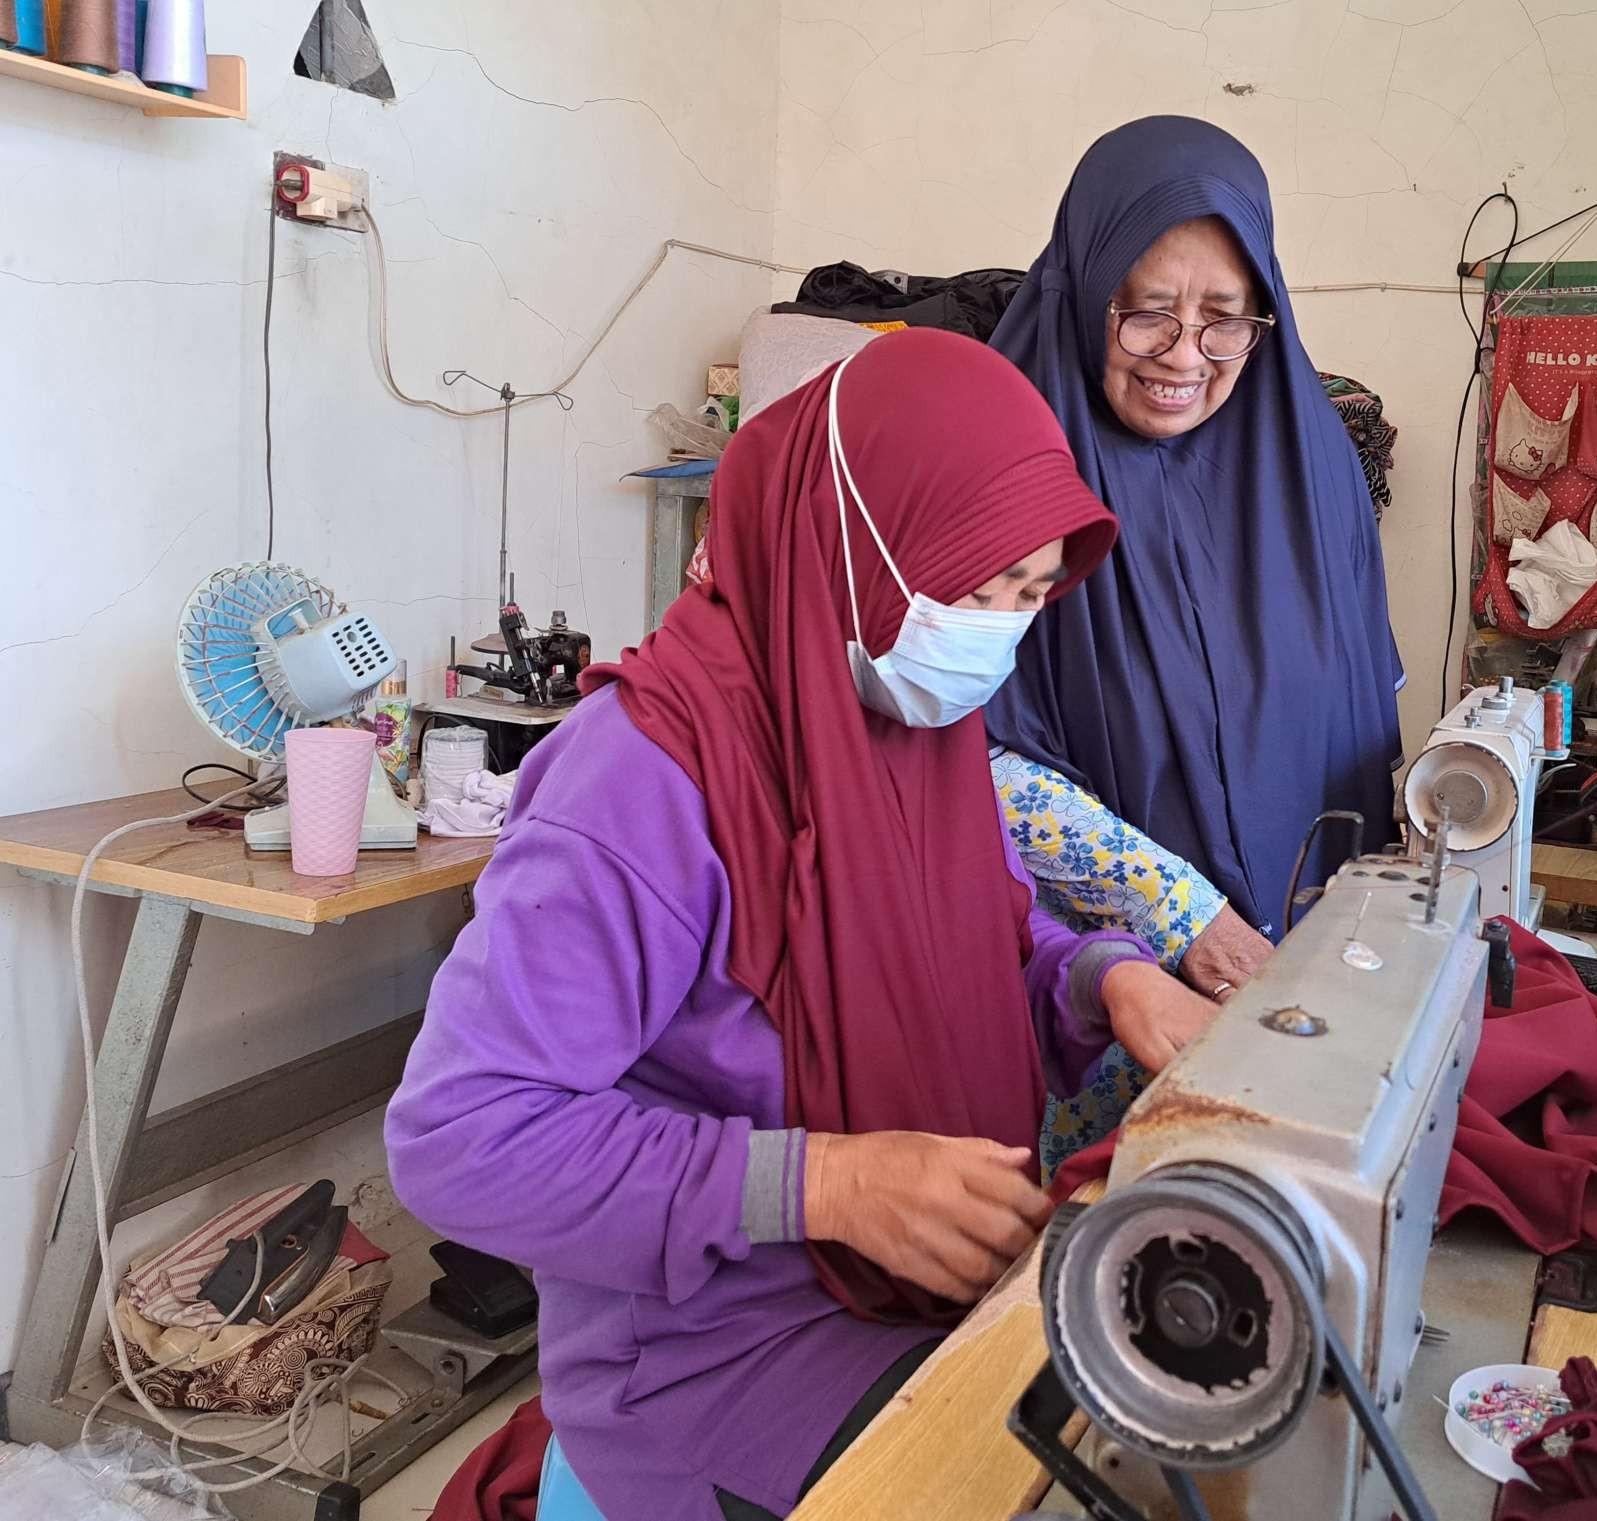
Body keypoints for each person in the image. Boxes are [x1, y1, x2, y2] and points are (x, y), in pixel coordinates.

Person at [385, 329, 1220, 1521]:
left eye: (1033, 596)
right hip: (709, 1358)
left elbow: (985, 941)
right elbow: (460, 1139)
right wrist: (821, 1186)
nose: (1000, 630)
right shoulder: (636, 783)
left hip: (911, 1280)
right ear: (856, 550)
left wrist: (1101, 980)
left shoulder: (902, 725)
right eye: (980, 589)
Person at [986, 116, 1407, 1171]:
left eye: (1224, 319)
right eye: (1145, 316)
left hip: (1290, 1002)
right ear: (1088, 294)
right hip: (1078, 1005)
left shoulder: (1315, 481)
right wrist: (1172, 909)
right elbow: (949, 754)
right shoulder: (998, 464)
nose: (1185, 356)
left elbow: (1363, 725)